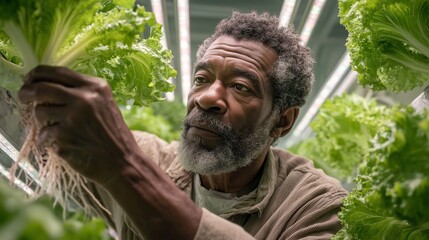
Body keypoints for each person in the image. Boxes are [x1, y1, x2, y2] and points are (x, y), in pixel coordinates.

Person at [18, 12, 347, 240]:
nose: (208, 98)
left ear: (283, 120)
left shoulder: (315, 205)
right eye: (201, 79)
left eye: (241, 87)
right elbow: (36, 144)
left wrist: (125, 168)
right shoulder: (150, 157)